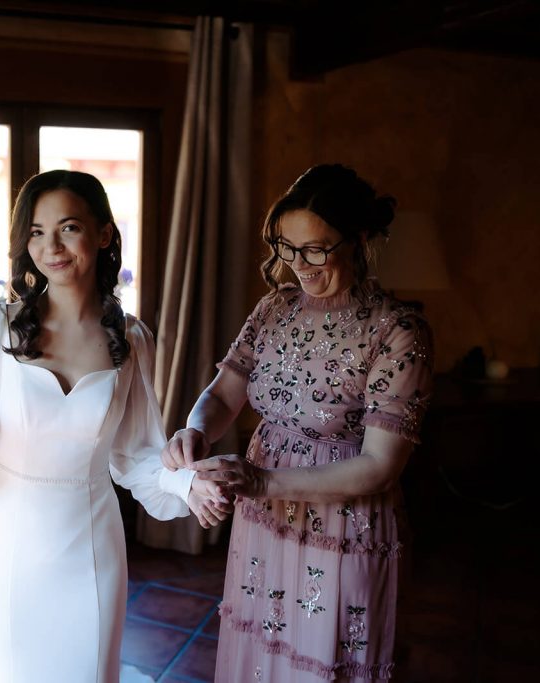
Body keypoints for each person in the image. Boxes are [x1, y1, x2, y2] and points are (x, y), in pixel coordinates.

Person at [0, 170, 228, 683]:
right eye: (38, 231)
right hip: (5, 545)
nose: (52, 246)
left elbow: (136, 455)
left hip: (91, 547)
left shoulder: (132, 339)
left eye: (68, 227)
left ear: (105, 234)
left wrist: (189, 482)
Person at [161, 164, 434, 682]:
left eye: (315, 248)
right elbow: (223, 393)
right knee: (262, 650)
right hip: (264, 520)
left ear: (357, 240)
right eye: (287, 247)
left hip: (343, 525)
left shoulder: (398, 331)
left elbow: (380, 466)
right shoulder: (273, 309)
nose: (298, 265)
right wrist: (196, 429)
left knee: (324, 661)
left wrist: (261, 481)